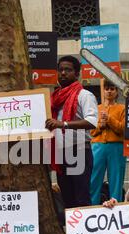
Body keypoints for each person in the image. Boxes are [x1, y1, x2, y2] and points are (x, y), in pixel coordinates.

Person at [45, 55, 98, 211]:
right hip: (60, 152)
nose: (63, 73)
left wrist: (63, 124)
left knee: (81, 198)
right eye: (60, 70)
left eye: (67, 70)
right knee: (67, 198)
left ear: (77, 73)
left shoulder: (84, 95)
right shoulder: (53, 98)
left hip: (79, 150)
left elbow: (92, 122)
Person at [89, 81, 126, 204]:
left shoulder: (122, 108)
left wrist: (109, 119)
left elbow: (123, 129)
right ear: (103, 91)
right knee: (93, 178)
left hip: (116, 147)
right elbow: (91, 132)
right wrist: (101, 125)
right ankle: (91, 208)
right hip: (97, 146)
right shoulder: (96, 108)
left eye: (112, 89)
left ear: (117, 92)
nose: (109, 91)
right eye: (106, 89)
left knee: (116, 179)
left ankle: (116, 207)